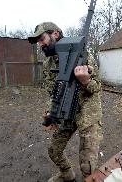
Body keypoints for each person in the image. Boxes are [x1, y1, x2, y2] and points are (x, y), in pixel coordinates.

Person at [28, 22, 103, 182]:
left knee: (87, 165)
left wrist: (85, 81)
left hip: (87, 114)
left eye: (42, 39)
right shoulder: (48, 65)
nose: (40, 44)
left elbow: (97, 87)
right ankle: (67, 174)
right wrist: (52, 113)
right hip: (66, 113)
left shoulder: (83, 55)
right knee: (54, 150)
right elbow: (53, 92)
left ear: (55, 34)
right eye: (38, 42)